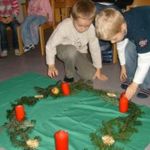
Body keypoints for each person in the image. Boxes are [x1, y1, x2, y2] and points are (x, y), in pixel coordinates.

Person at [46, 0, 108, 83]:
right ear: (73, 18)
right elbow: (50, 45)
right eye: (80, 25)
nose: (83, 29)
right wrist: (51, 65)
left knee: (91, 75)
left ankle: (74, 65)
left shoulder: (91, 29)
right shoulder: (65, 25)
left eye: (87, 26)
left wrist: (98, 69)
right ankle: (69, 76)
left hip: (80, 52)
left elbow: (95, 49)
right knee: (71, 51)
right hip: (64, 50)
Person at [95, 7, 150, 99]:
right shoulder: (119, 24)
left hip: (145, 29)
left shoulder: (138, 31)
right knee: (128, 49)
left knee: (146, 55)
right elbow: (120, 46)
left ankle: (146, 86)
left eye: (114, 39)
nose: (112, 42)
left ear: (123, 27)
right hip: (141, 29)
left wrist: (134, 85)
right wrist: (123, 67)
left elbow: (145, 59)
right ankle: (130, 78)